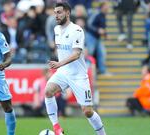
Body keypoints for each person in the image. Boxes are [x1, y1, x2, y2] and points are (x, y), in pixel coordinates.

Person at [45, 2, 106, 135]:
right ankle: (56, 128)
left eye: (59, 12)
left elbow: (76, 54)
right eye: (55, 13)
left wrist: (59, 63)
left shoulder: (77, 30)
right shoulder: (56, 30)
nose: (56, 15)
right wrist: (59, 65)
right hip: (63, 72)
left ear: (67, 13)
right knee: (48, 91)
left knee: (88, 111)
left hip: (78, 75)